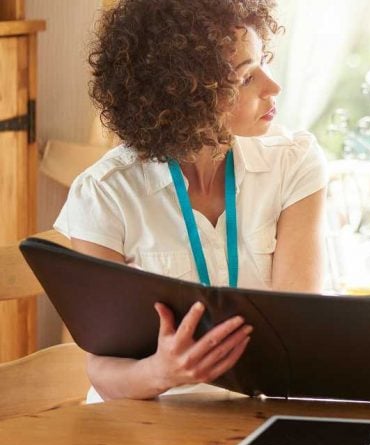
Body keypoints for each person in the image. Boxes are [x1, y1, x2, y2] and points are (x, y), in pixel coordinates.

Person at [54, 0, 326, 402]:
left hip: (260, 409)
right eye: (246, 77)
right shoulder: (105, 192)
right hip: (150, 422)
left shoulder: (294, 163)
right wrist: (160, 372)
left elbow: (298, 328)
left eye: (263, 61)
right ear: (183, 95)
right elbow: (103, 371)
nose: (273, 86)